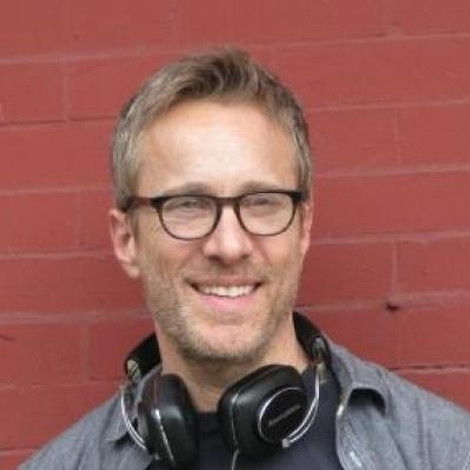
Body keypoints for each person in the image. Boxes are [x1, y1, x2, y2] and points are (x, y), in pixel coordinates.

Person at [19, 47, 470, 470]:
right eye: (188, 205)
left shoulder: (441, 451)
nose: (229, 246)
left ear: (303, 228)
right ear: (127, 240)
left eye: (261, 202)